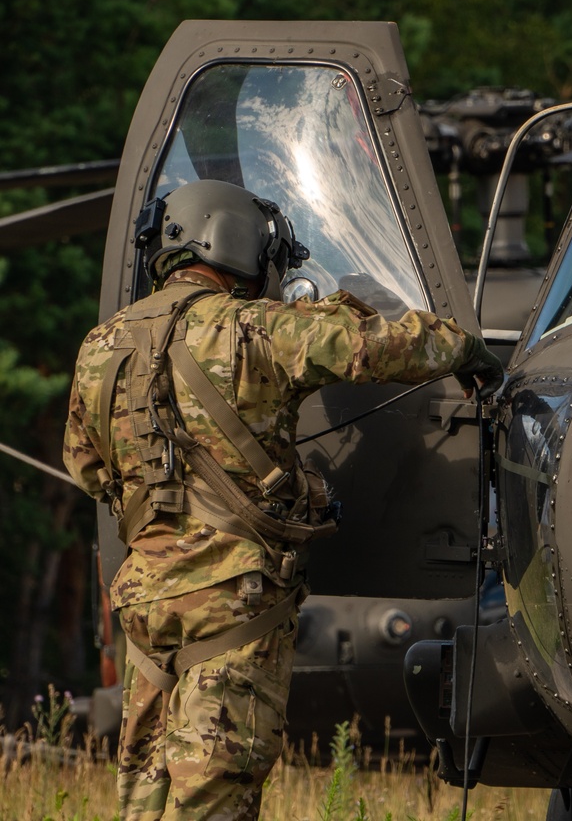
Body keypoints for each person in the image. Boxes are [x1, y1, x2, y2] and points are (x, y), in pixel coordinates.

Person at [63, 179, 504, 820]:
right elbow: (379, 343)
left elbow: (86, 466)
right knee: (215, 794)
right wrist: (466, 349)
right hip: (235, 604)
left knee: (144, 799)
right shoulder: (256, 330)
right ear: (236, 240)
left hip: (144, 609)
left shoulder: (100, 347)